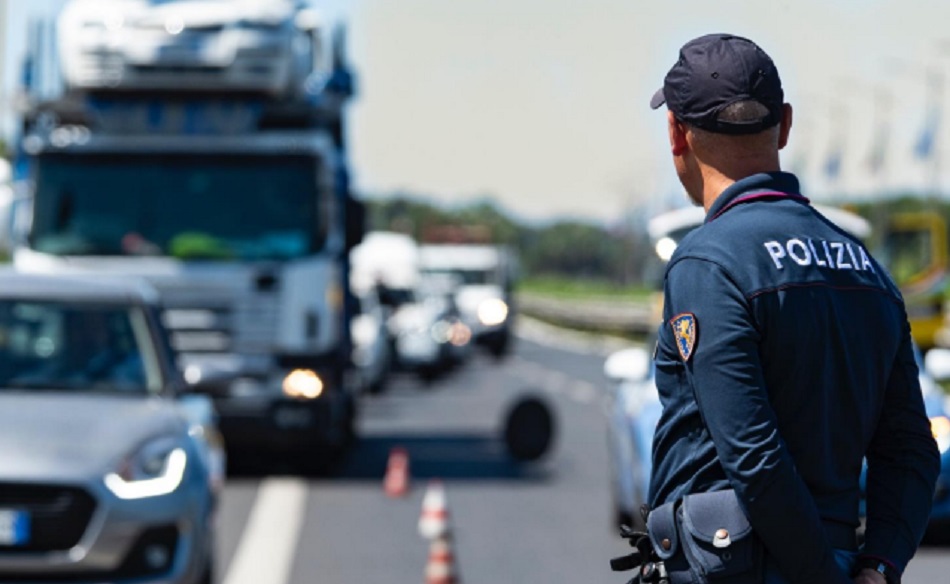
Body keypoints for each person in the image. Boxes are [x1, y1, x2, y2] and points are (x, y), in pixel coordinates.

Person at [642, 34, 940, 584]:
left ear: (676, 133)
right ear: (784, 124)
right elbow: (911, 451)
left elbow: (753, 456)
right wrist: (878, 565)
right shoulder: (866, 268)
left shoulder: (706, 264)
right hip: (840, 560)